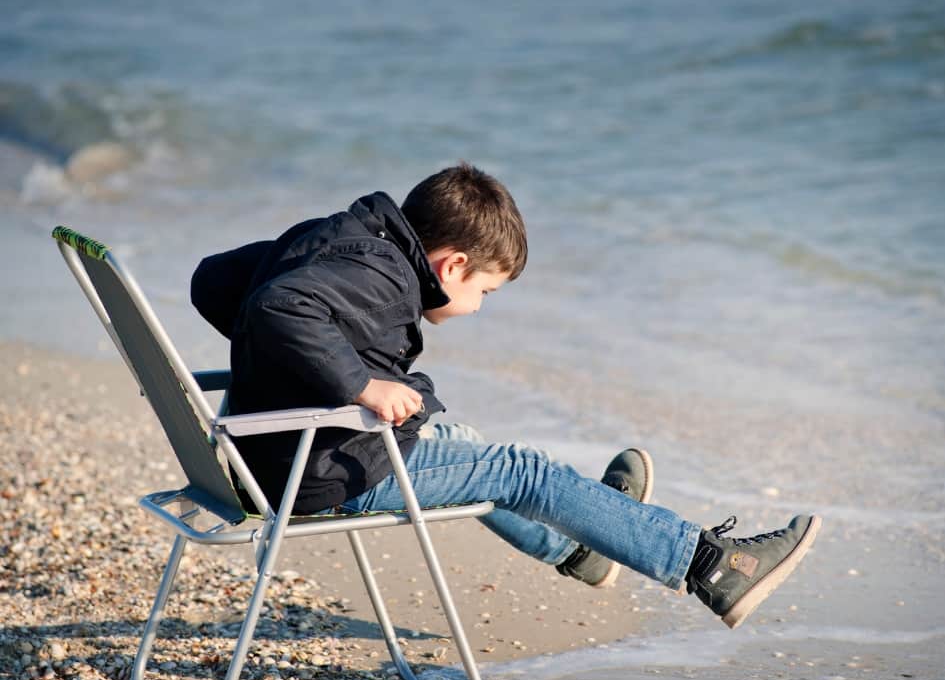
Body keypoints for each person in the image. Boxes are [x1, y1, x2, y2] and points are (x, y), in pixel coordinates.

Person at [191, 162, 821, 629]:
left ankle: (581, 545)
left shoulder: (335, 238)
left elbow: (213, 283)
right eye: (486, 291)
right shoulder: (379, 277)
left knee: (459, 445)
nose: (480, 306)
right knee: (521, 471)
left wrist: (300, 364)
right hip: (314, 471)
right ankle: (711, 566)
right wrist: (358, 381)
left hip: (266, 452)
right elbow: (281, 305)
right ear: (453, 266)